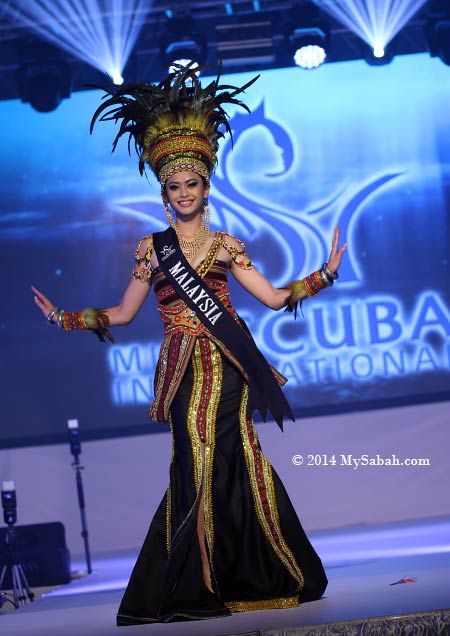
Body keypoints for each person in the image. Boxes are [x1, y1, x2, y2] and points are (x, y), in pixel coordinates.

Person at [32, 65, 346, 625]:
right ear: (164, 192)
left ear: (206, 187)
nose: (183, 193)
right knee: (191, 464)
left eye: (191, 184)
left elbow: (272, 298)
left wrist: (323, 274)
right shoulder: (152, 251)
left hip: (226, 367)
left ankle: (257, 571)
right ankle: (198, 582)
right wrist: (64, 317)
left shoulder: (225, 245)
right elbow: (124, 313)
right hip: (179, 370)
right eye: (173, 186)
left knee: (232, 456)